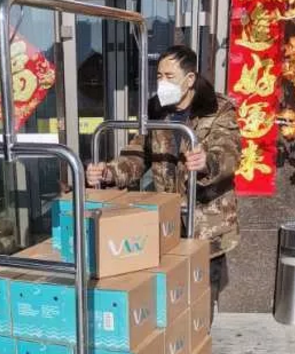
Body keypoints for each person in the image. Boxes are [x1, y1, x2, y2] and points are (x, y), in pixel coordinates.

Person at [87, 45, 241, 315]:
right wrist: (109, 172)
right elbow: (137, 155)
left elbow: (229, 151)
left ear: (189, 79)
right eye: (159, 76)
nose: (162, 83)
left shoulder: (217, 109)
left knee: (200, 305)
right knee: (170, 303)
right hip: (167, 224)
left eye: (170, 76)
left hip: (205, 225)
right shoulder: (157, 111)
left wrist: (208, 162)